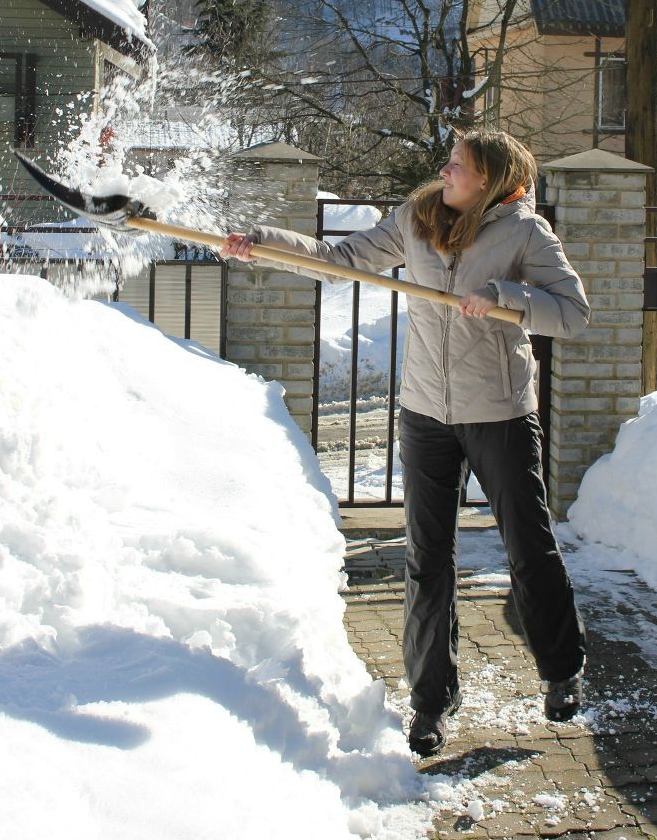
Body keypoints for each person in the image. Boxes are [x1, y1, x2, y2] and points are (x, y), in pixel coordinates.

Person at [220, 130, 589, 756]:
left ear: (489, 179)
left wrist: (505, 297)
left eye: (458, 165)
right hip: (424, 412)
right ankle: (430, 700)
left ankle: (561, 670)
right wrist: (263, 243)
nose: (444, 171)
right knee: (426, 557)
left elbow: (573, 313)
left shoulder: (526, 234)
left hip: (498, 412)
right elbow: (339, 258)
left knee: (528, 546)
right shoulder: (417, 219)